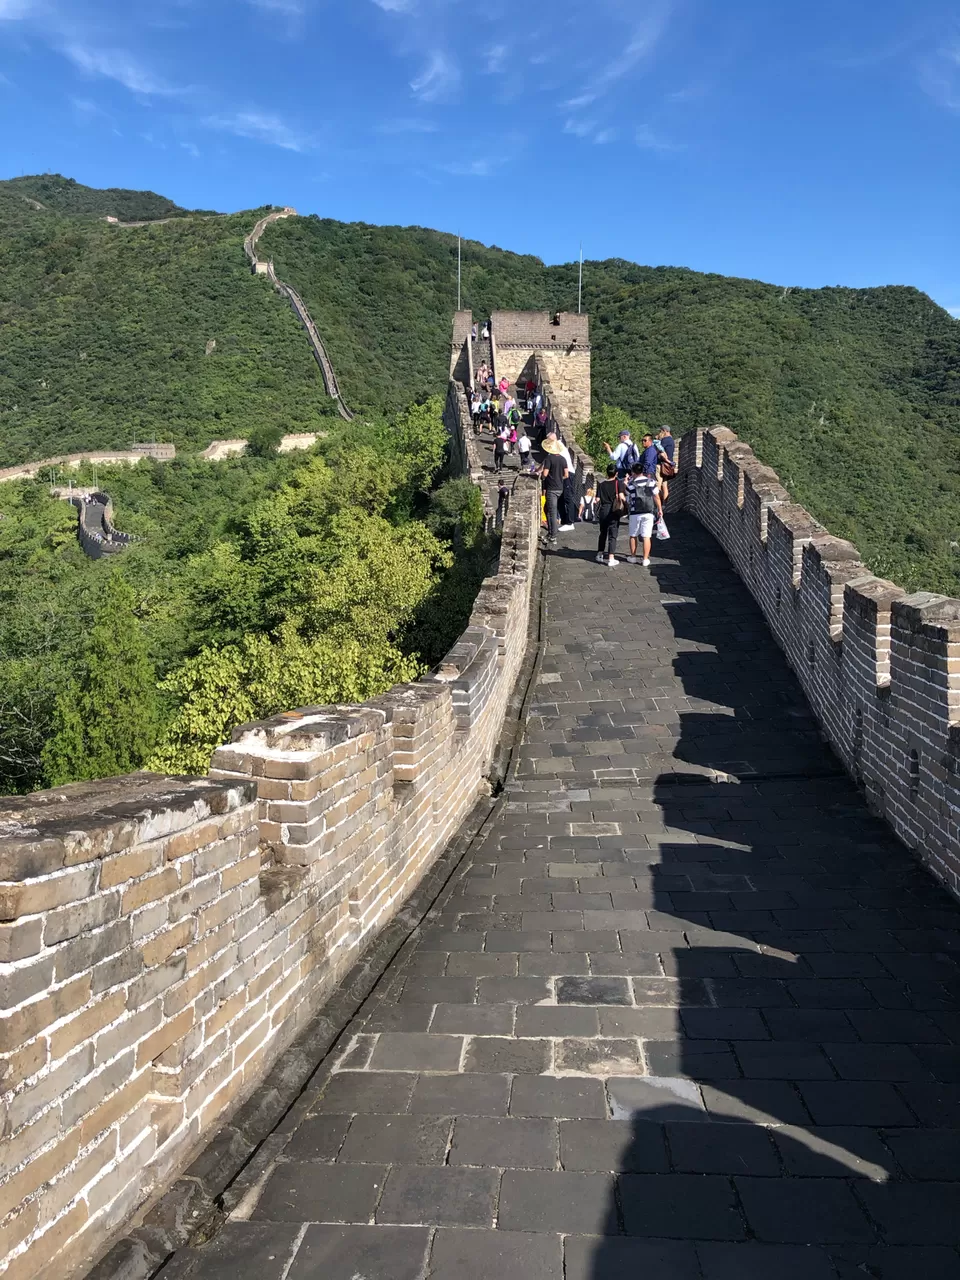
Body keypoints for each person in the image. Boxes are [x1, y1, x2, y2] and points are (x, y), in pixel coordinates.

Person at [625, 464, 662, 566]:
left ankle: (633, 557)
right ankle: (645, 559)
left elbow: (627, 497)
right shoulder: (651, 482)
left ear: (633, 472)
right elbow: (656, 496)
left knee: (633, 535)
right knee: (646, 536)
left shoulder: (631, 484)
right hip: (648, 512)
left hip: (635, 512)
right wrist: (660, 509)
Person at [540, 436, 569, 546]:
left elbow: (545, 474)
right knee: (547, 508)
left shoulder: (549, 458)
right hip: (560, 488)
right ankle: (550, 533)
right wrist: (559, 478)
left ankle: (553, 536)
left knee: (552, 512)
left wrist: (543, 476)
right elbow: (566, 475)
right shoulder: (563, 459)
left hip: (551, 489)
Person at [596, 463, 625, 567]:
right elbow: (621, 496)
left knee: (603, 532)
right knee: (613, 534)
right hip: (613, 510)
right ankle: (611, 558)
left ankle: (600, 554)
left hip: (603, 509)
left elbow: (597, 499)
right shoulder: (618, 483)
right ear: (616, 473)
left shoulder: (601, 484)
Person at [656, 426, 676, 503]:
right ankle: (665, 505)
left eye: (660, 431)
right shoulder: (671, 440)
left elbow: (658, 450)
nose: (659, 433)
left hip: (661, 465)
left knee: (657, 486)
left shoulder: (665, 440)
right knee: (664, 485)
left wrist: (658, 440)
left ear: (664, 431)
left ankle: (658, 504)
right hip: (668, 466)